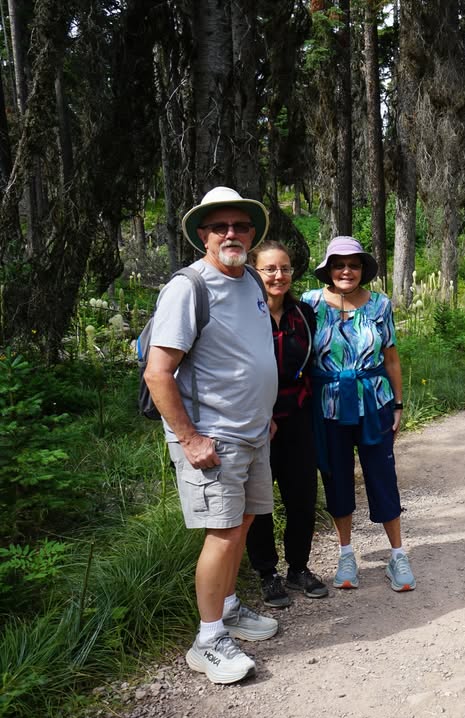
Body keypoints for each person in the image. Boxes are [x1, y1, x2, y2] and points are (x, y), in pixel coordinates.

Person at [143, 186, 279, 685]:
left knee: (241, 526)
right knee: (221, 534)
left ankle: (227, 608)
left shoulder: (248, 283)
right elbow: (158, 373)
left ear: (251, 234)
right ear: (203, 234)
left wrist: (264, 412)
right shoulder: (188, 287)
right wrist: (191, 438)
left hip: (252, 433)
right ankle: (208, 640)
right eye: (219, 226)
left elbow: (247, 355)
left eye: (240, 226)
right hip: (212, 438)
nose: (230, 233)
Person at [302, 235, 415, 593]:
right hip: (327, 405)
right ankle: (346, 553)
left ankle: (397, 555)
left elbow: (391, 358)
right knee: (335, 476)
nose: (346, 271)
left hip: (374, 401)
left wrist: (398, 403)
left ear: (363, 269)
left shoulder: (380, 305)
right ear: (328, 270)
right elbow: (301, 359)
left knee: (382, 473)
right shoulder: (310, 304)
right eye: (339, 264)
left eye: (353, 265)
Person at [244, 240, 329, 607]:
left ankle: (298, 568)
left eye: (285, 268)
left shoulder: (303, 315)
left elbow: (311, 365)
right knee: (259, 501)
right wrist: (258, 416)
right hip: (256, 422)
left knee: (302, 496)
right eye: (269, 269)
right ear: (254, 271)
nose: (279, 276)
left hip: (297, 418)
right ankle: (267, 574)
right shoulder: (244, 314)